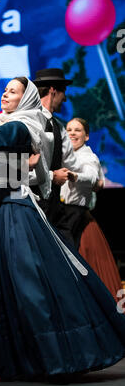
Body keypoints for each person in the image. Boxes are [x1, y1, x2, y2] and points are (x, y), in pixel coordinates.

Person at [0, 77, 125, 383]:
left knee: (28, 283)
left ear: (25, 99)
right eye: (4, 90)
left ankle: (49, 356)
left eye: (12, 91)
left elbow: (11, 136)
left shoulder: (29, 123)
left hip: (14, 210)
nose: (4, 94)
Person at [60, 117, 123, 302]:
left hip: (75, 217)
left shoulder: (89, 157)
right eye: (69, 129)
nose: (72, 133)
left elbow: (91, 177)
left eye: (77, 130)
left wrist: (74, 175)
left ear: (86, 136)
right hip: (62, 214)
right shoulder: (64, 156)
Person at [31, 68, 79, 238]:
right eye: (63, 92)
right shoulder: (30, 122)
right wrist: (52, 176)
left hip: (54, 205)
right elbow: (20, 165)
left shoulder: (59, 127)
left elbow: (72, 163)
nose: (64, 98)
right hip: (32, 204)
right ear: (53, 90)